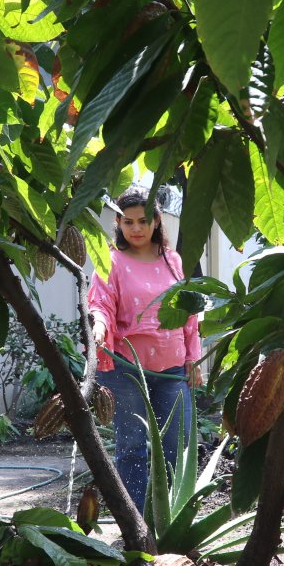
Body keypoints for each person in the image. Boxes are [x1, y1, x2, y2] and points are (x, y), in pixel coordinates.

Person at [87, 187, 202, 512]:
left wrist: (193, 357)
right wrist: (98, 326)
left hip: (173, 370)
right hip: (127, 371)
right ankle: (135, 522)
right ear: (119, 224)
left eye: (142, 221)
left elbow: (189, 314)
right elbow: (102, 304)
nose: (135, 229)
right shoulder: (111, 260)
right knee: (132, 447)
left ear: (156, 221)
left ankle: (167, 518)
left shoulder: (173, 260)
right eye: (128, 222)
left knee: (175, 445)